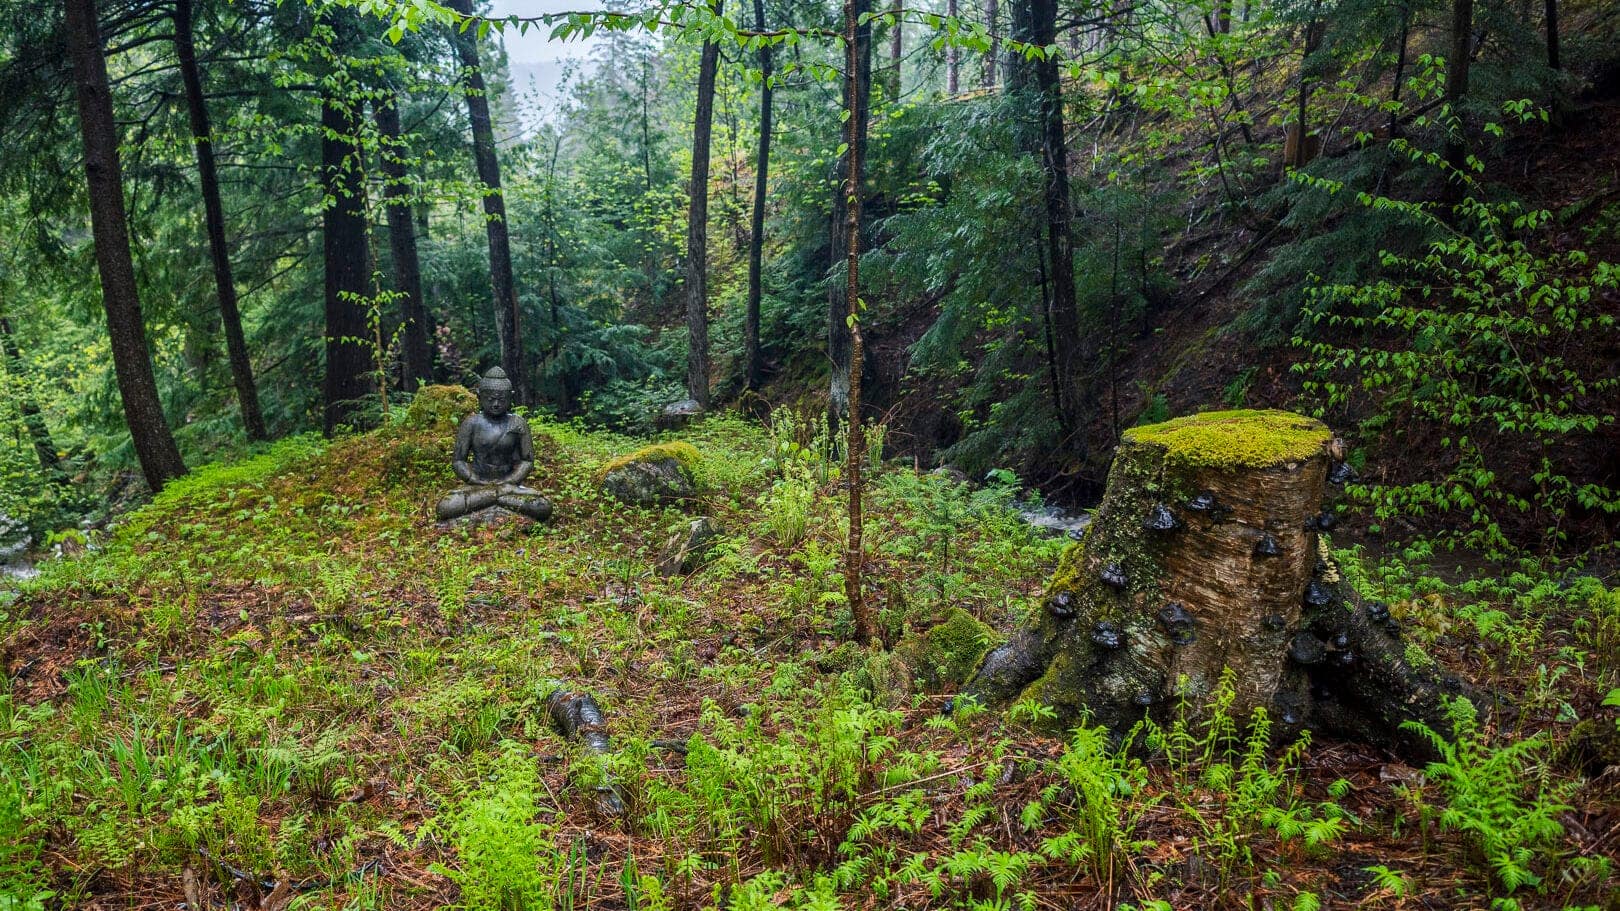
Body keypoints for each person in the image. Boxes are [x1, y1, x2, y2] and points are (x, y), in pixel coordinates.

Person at [435, 367, 553, 522]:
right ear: (479, 397)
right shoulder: (471, 423)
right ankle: (497, 499)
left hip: (509, 486)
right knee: (445, 506)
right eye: (490, 400)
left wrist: (510, 481)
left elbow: (528, 460)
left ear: (510, 398)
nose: (496, 404)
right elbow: (458, 461)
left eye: (502, 400)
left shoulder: (518, 423)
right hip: (478, 486)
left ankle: (495, 499)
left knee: (542, 506)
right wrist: (475, 480)